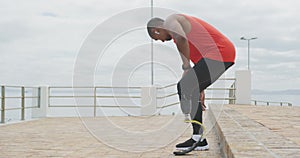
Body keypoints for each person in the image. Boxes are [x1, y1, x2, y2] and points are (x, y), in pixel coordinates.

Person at [146, 14, 236, 151]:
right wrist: (200, 87)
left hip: (219, 52)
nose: (163, 41)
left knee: (183, 86)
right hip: (219, 55)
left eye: (158, 39)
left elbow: (181, 38)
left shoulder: (171, 21)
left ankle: (197, 136)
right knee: (189, 87)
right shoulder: (177, 36)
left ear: (156, 30)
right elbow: (199, 60)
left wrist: (186, 67)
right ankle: (198, 138)